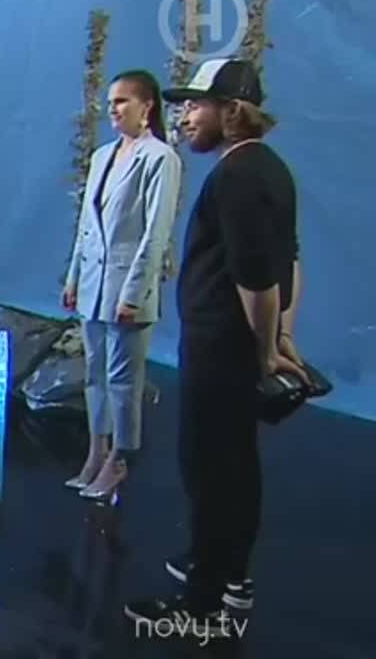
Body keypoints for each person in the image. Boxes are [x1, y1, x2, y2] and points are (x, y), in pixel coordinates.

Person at [124, 58, 309, 632]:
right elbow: (289, 262)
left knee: (208, 469)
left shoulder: (238, 178)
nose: (183, 117)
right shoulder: (271, 170)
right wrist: (280, 335)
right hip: (233, 347)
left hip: (221, 351)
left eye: (195, 105)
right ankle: (228, 576)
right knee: (236, 464)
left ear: (231, 111)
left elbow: (256, 276)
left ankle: (202, 606)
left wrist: (266, 350)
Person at [63, 69, 182, 500]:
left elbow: (155, 233)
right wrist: (74, 277)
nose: (112, 109)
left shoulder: (160, 159)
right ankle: (96, 450)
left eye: (122, 101)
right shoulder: (102, 157)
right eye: (110, 101)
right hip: (93, 285)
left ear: (146, 106)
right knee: (94, 373)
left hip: (126, 286)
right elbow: (86, 225)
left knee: (123, 380)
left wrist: (133, 294)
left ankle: (121, 457)